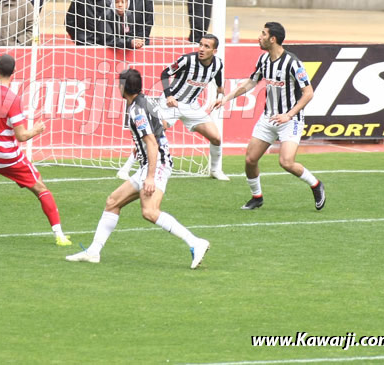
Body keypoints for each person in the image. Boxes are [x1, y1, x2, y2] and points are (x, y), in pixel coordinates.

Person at [66, 68, 210, 269]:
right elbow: (161, 126)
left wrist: (150, 177)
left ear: (123, 87)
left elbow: (152, 143)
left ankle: (196, 242)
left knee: (150, 211)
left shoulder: (136, 110)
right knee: (113, 202)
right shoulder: (144, 101)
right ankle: (93, 252)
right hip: (150, 163)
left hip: (156, 164)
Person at [0, 54, 71, 246]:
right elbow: (21, 136)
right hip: (7, 156)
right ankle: (59, 235)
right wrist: (37, 129)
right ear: (14, 73)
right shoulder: (12, 98)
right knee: (40, 187)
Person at [214, 22, 326, 211]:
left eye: (263, 34)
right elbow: (251, 83)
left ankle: (316, 185)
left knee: (286, 162)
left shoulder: (292, 63)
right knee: (250, 160)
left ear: (272, 39)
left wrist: (289, 115)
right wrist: (226, 99)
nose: (259, 37)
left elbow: (308, 93)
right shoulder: (263, 60)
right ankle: (257, 197)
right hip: (268, 118)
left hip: (290, 120)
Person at [159, 34, 229, 181]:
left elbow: (218, 80)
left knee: (216, 137)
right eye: (201, 45)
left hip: (192, 106)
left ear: (214, 51)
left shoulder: (218, 64)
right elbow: (165, 73)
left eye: (206, 46)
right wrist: (169, 95)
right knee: (153, 134)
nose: (201, 49)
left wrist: (220, 93)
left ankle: (215, 170)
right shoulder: (187, 59)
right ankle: (127, 168)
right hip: (172, 103)